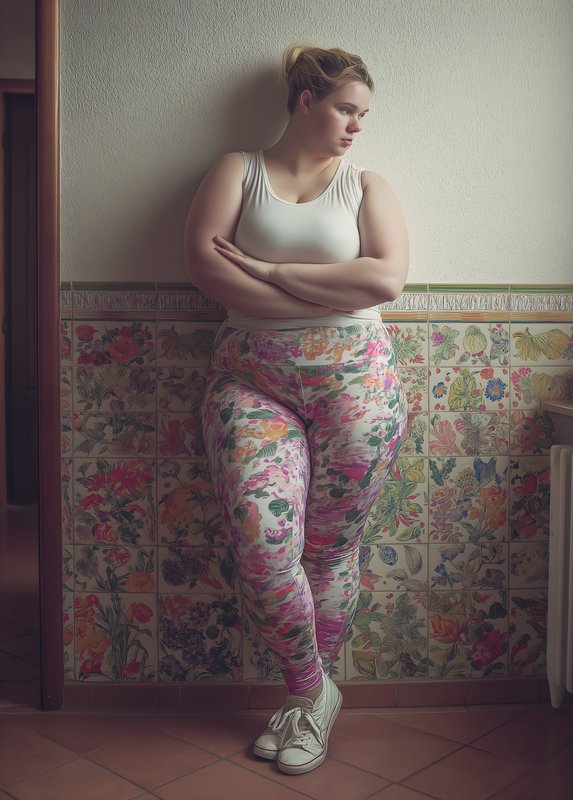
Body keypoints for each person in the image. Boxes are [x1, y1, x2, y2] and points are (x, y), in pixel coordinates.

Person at [184, 44, 409, 775]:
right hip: (252, 385)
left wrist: (276, 271)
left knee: (331, 550)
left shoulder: (365, 184)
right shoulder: (236, 170)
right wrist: (321, 289)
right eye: (346, 108)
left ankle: (303, 713)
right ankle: (313, 692)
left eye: (364, 115)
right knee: (262, 537)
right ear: (306, 100)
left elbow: (386, 281)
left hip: (361, 388)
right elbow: (204, 266)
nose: (356, 126)